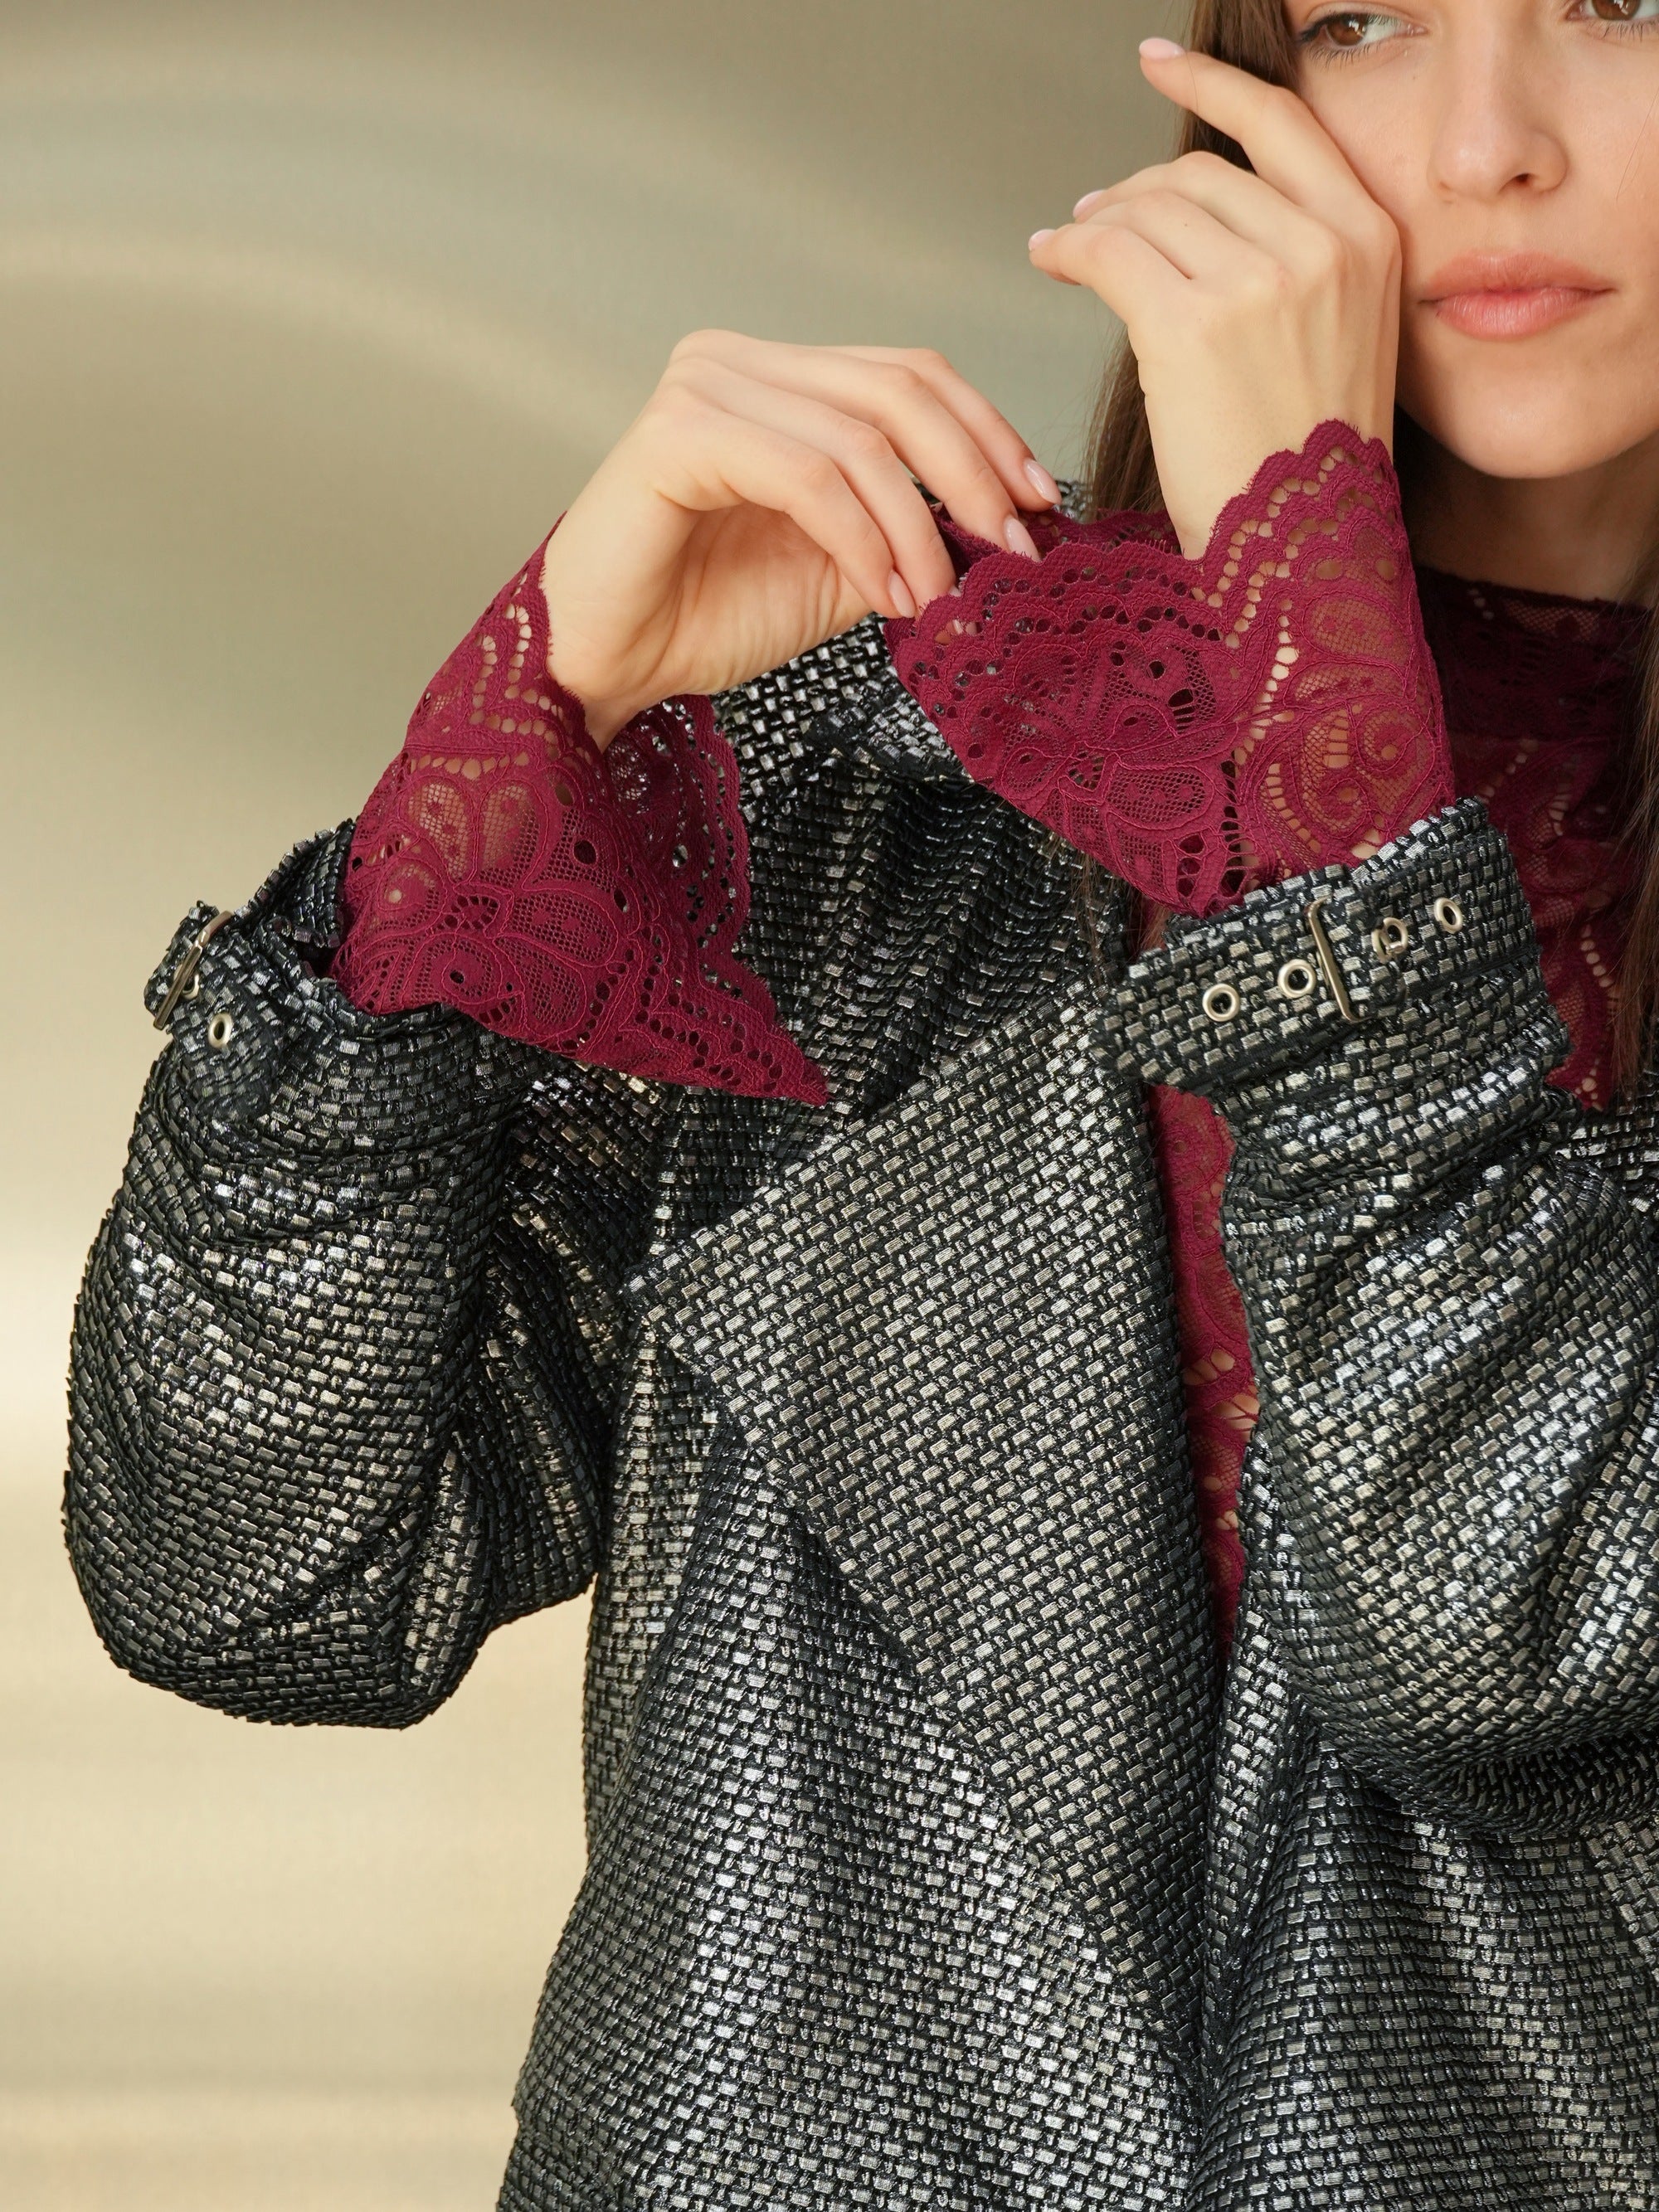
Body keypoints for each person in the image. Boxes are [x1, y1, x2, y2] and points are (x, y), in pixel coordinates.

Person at [63, 0, 1659, 2203]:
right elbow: (250, 1576)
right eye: (1364, 19)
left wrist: (1327, 736)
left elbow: (1505, 1630)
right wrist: (491, 786)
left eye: (1619, 3)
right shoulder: (932, 747)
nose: (1485, 147)